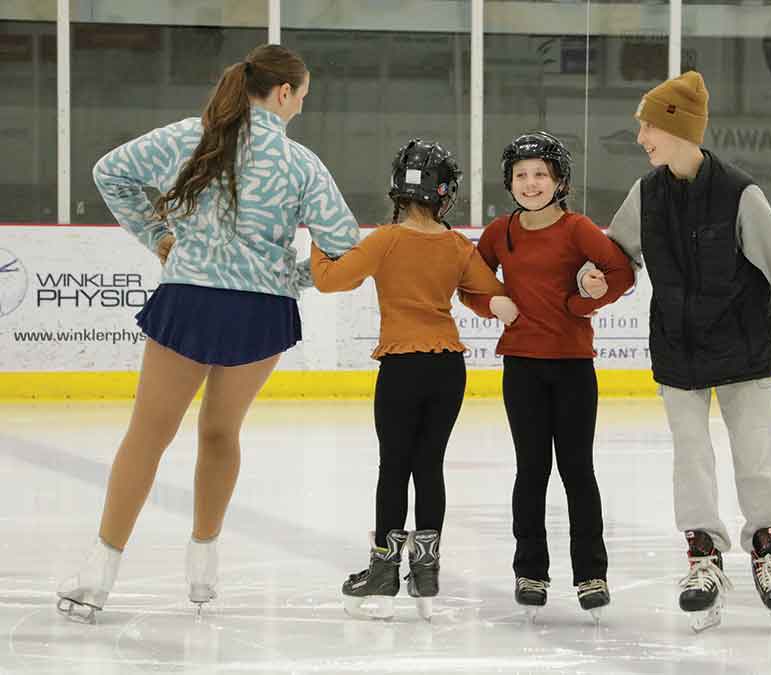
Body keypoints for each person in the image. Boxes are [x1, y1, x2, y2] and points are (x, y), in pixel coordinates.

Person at [56, 44, 360, 623]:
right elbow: (343, 245)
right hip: (261, 311)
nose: (301, 107)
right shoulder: (301, 163)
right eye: (303, 96)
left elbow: (109, 172)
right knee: (221, 432)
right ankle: (203, 566)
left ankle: (99, 572)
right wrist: (288, 276)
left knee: (148, 434)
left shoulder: (187, 137)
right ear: (285, 93)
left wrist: (159, 238)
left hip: (190, 299)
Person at [579, 70, 771, 632]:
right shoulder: (645, 193)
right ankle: (704, 556)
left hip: (743, 347)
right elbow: (616, 253)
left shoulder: (740, 194)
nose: (641, 136)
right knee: (690, 457)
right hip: (678, 349)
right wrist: (591, 276)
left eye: (648, 125)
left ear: (678, 128)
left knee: (756, 453)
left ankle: (767, 551)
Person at [310, 139, 506, 621]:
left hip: (401, 366)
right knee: (430, 465)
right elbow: (493, 295)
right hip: (446, 367)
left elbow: (330, 281)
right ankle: (425, 570)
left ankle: (383, 569)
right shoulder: (458, 245)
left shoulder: (384, 241)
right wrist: (471, 297)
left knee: (394, 467)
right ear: (444, 193)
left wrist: (319, 241)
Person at [459, 131, 635, 622]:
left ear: (559, 181)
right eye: (521, 175)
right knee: (531, 470)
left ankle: (591, 574)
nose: (530, 183)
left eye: (540, 174)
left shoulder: (578, 229)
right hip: (522, 368)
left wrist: (585, 302)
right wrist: (491, 302)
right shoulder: (499, 233)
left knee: (577, 470)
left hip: (574, 367)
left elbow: (621, 273)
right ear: (509, 182)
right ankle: (530, 570)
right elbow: (469, 284)